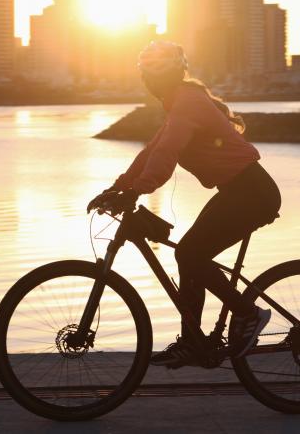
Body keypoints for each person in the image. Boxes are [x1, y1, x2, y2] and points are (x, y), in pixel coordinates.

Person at [87, 41, 281, 368]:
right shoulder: (180, 103)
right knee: (189, 255)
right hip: (237, 191)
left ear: (172, 76)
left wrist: (136, 191)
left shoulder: (187, 103)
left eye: (155, 77)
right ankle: (193, 342)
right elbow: (152, 151)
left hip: (252, 193)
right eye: (147, 77)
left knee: (190, 254)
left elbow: (166, 154)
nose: (151, 83)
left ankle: (248, 313)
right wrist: (118, 188)